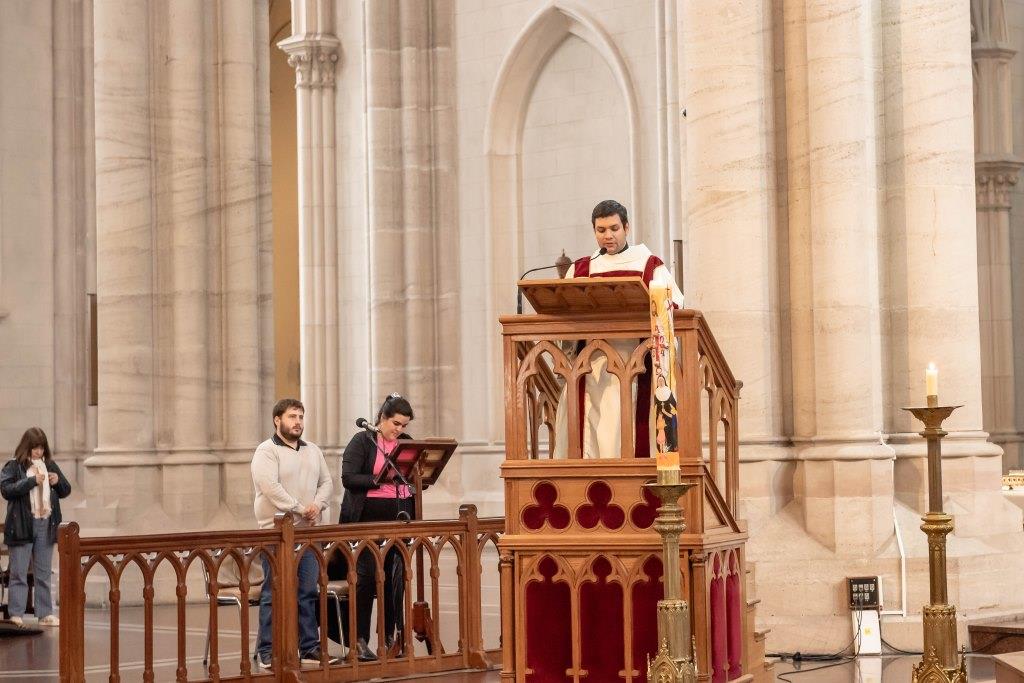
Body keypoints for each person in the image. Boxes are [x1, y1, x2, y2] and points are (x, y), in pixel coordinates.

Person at [553, 199, 684, 459]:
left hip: (636, 363)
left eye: (614, 228)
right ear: (594, 231)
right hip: (589, 364)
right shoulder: (580, 269)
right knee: (587, 425)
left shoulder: (649, 265)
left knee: (624, 426)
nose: (608, 236)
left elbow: (675, 310)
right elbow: (563, 313)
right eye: (601, 230)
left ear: (626, 227)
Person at [251, 398, 335, 669]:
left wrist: (317, 505)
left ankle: (309, 647)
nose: (298, 422)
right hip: (275, 534)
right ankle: (268, 651)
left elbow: (327, 482)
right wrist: (301, 508)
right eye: (292, 417)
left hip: (307, 534)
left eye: (300, 417)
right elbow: (270, 487)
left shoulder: (312, 450)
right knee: (273, 592)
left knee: (308, 591)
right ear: (277, 420)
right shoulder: (266, 451)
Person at [340, 393, 415, 661]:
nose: (399, 430)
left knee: (395, 580)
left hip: (399, 517)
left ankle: (392, 637)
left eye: (404, 425)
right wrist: (378, 479)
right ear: (382, 418)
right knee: (367, 578)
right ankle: (359, 640)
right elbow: (348, 478)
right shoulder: (363, 441)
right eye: (395, 423)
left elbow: (417, 474)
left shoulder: (406, 444)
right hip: (366, 521)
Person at [1, 427, 72, 627]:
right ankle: (16, 614)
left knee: (43, 572)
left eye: (41, 448)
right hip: (23, 524)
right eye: (34, 448)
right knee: (19, 572)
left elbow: (66, 490)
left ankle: (45, 613)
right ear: (27, 447)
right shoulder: (14, 466)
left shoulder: (49, 465)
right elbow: (6, 490)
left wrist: (57, 481)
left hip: (46, 523)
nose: (38, 452)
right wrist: (31, 481)